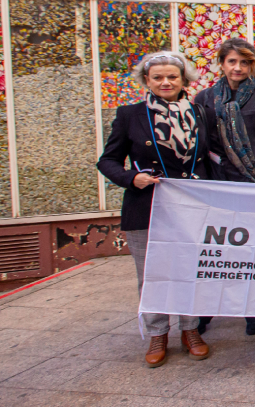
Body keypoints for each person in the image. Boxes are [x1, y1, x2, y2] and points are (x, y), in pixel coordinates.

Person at [98, 51, 211, 367]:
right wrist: (132, 178)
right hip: (147, 207)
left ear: (183, 80)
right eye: (158, 77)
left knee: (190, 270)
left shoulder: (201, 113)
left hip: (191, 208)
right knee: (152, 275)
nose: (165, 82)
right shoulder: (130, 115)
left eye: (172, 77)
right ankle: (157, 334)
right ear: (146, 81)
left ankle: (190, 330)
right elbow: (107, 161)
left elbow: (211, 159)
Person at [194, 37, 255, 337]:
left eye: (244, 62)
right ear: (221, 63)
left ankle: (253, 310)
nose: (238, 68)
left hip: (254, 179)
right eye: (232, 62)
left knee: (251, 249)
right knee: (216, 249)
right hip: (219, 180)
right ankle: (206, 309)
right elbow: (201, 143)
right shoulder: (205, 97)